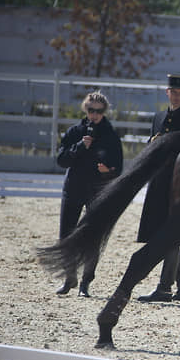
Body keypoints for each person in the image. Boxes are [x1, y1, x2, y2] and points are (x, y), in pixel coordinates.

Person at [136, 73, 180, 303]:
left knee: (170, 234)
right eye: (173, 92)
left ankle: (165, 288)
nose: (177, 96)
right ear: (167, 92)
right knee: (165, 234)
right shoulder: (158, 118)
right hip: (159, 182)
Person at [55, 90, 123, 297]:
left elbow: (118, 168)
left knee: (93, 236)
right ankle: (69, 278)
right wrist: (79, 147)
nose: (94, 114)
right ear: (85, 109)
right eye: (91, 110)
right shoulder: (75, 131)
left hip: (97, 191)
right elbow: (61, 160)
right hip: (73, 188)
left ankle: (86, 282)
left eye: (99, 111)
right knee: (66, 234)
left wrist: (108, 172)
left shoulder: (111, 136)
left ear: (104, 111)